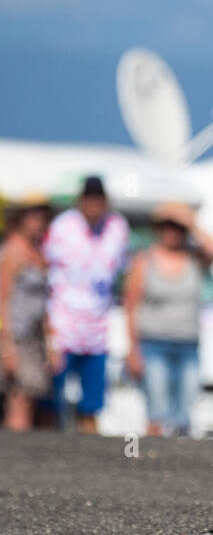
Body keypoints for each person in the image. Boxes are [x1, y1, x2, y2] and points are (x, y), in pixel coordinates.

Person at [124, 202, 213, 436]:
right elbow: (131, 306)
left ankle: (179, 464)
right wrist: (133, 349)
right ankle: (151, 464)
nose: (171, 232)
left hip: (187, 343)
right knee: (157, 411)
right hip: (153, 343)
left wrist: (188, 220)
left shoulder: (194, 259)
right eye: (166, 226)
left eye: (176, 227)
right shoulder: (144, 260)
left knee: (184, 413)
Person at [44, 176, 129, 433]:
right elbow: (43, 269)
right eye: (89, 198)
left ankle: (88, 463)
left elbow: (124, 270)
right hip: (62, 329)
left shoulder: (117, 227)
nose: (94, 204)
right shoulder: (62, 226)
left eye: (98, 199)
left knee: (91, 406)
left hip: (97, 333)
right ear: (80, 201)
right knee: (50, 403)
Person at [0, 199, 54, 431]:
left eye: (43, 216)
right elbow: (2, 300)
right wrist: (8, 347)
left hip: (34, 339)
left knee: (29, 399)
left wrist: (51, 342)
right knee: (18, 400)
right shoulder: (12, 251)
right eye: (34, 216)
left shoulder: (38, 250)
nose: (39, 222)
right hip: (16, 337)